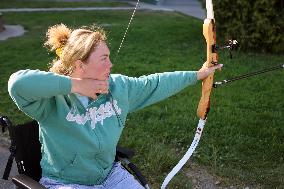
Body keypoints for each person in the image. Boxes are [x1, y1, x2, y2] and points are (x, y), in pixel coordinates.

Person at [8, 24, 222, 189]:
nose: (110, 64)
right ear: (80, 64)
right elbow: (17, 83)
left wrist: (197, 75)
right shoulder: (51, 100)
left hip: (109, 175)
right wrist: (78, 86)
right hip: (66, 182)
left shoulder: (116, 87)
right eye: (104, 59)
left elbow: (154, 84)